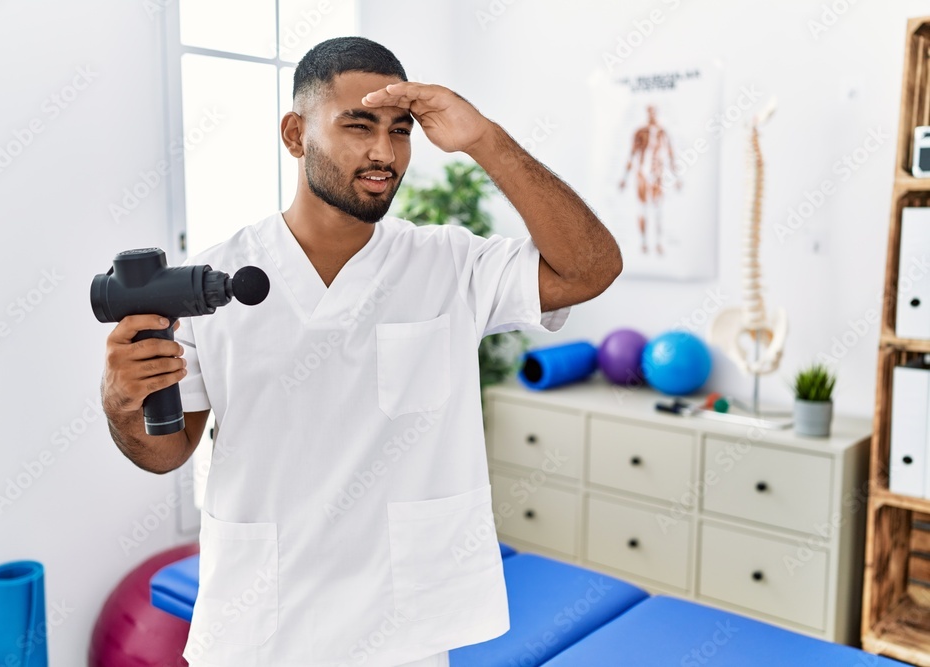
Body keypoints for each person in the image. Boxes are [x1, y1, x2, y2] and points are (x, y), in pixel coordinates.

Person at [100, 36, 622, 667]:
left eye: (400, 130)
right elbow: (163, 454)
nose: (384, 153)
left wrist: (487, 140)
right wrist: (122, 402)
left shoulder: (451, 264)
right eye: (358, 126)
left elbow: (589, 268)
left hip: (401, 629)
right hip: (258, 621)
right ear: (295, 135)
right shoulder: (211, 278)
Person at [619, 104, 681, 255]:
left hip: (657, 174)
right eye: (650, 112)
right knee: (642, 208)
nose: (652, 114)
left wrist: (676, 177)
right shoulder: (640, 132)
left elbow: (670, 153)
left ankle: (658, 242)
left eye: (655, 112)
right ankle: (643, 242)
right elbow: (632, 154)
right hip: (642, 173)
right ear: (647, 113)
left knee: (657, 208)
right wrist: (625, 178)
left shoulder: (662, 132)